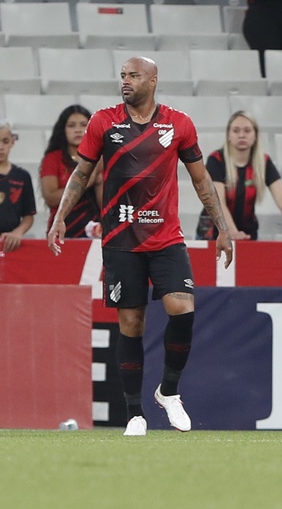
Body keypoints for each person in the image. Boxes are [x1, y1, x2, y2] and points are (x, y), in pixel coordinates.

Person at [47, 57, 233, 437]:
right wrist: (60, 216)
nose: (126, 81)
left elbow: (201, 180)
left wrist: (223, 228)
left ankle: (169, 391)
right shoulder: (104, 121)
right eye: (122, 76)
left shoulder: (179, 124)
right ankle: (135, 414)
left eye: (133, 75)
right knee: (131, 324)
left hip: (166, 237)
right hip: (120, 240)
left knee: (182, 310)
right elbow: (82, 173)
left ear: (153, 79)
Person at [195, 110, 282, 241]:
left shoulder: (264, 162)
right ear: (228, 136)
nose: (241, 135)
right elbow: (217, 202)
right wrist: (232, 232)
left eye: (247, 130)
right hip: (213, 234)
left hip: (247, 233)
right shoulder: (216, 160)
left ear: (255, 136)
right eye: (236, 131)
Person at [40, 105, 102, 239]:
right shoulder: (53, 158)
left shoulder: (100, 158)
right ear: (63, 130)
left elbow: (105, 203)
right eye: (71, 126)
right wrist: (87, 180)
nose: (78, 130)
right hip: (61, 229)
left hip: (95, 230)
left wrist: (99, 179)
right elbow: (50, 198)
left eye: (83, 125)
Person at [0, 119, 35, 254]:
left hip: (11, 245)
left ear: (12, 141)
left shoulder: (22, 176)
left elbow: (28, 215)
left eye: (5, 141)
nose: (1, 146)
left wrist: (17, 232)